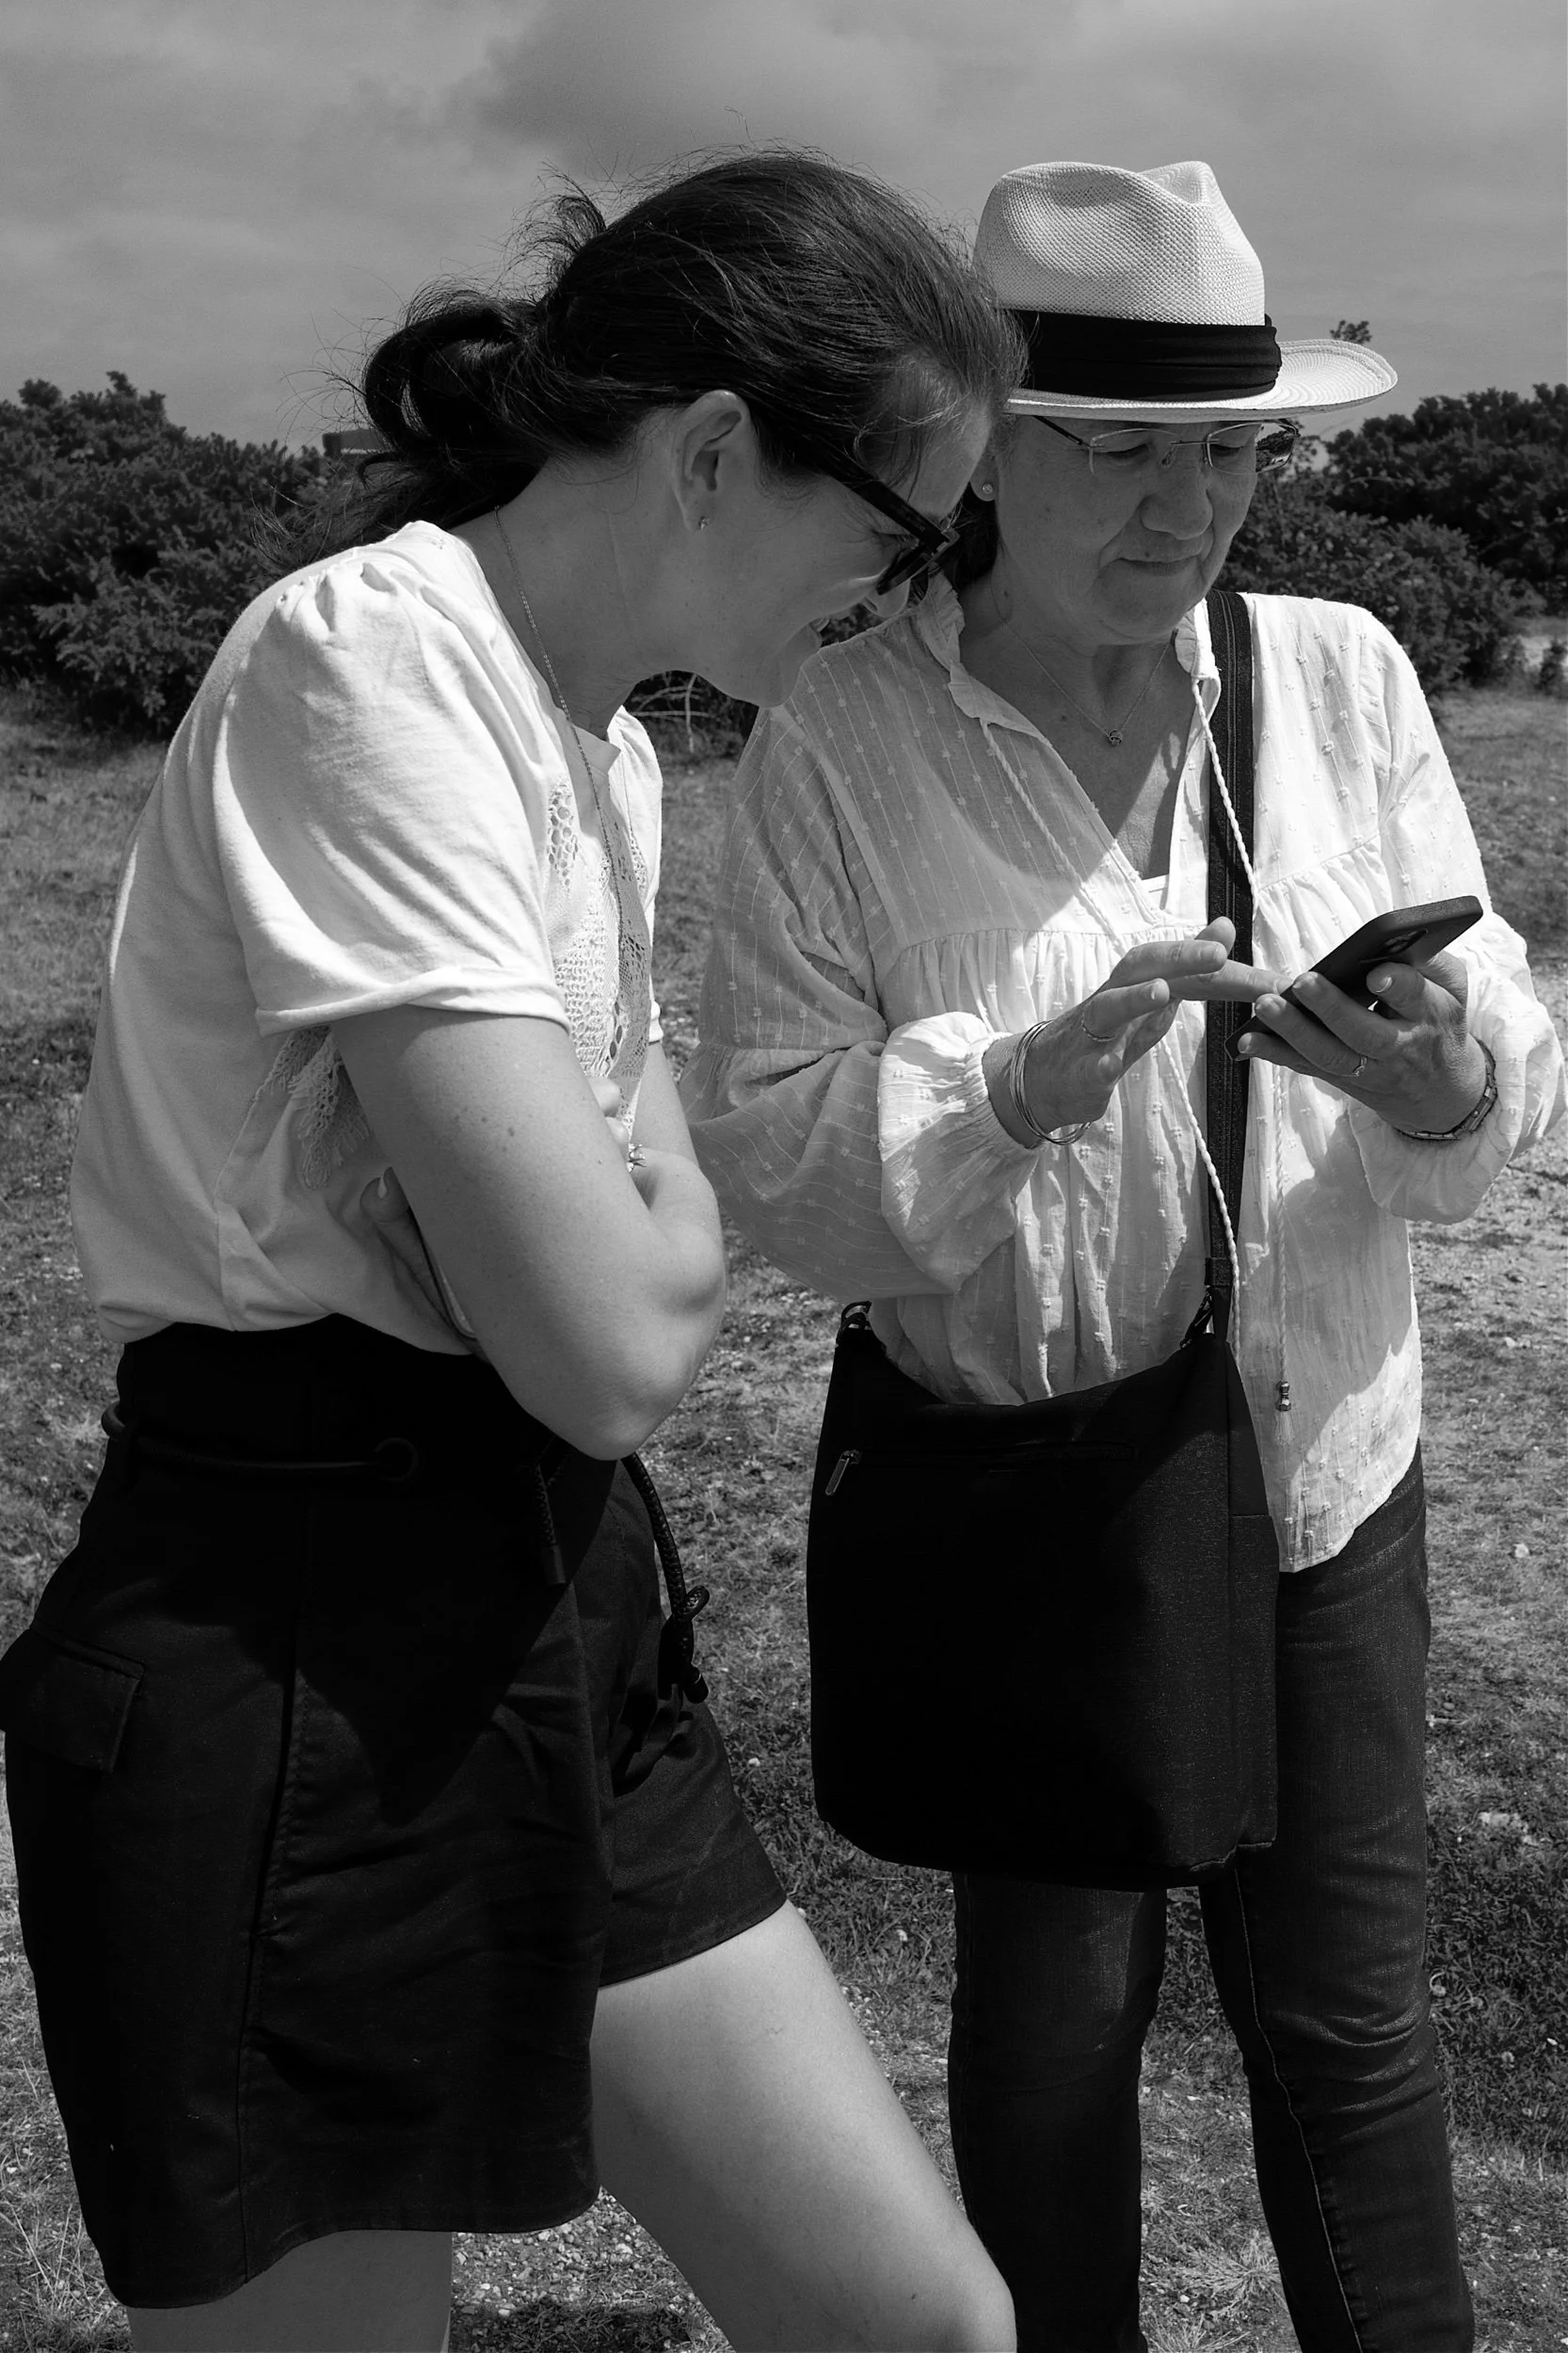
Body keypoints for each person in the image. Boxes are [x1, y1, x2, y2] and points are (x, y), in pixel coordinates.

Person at [0, 155, 1021, 2353]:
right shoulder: (371, 665)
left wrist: (639, 1213)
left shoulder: (605, 750)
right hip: (296, 1632)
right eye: (901, 535)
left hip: (550, 1600)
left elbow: (622, 1256)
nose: (903, 598)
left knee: (918, 2320)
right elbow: (609, 1334)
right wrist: (646, 1212)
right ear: (717, 452)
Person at [683, 159, 1566, 2352]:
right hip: (1042, 1494)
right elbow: (773, 1163)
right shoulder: (841, 731)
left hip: (1327, 1465)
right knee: (1059, 2019)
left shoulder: (1337, 674)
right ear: (979, 448)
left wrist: (1440, 1078)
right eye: (1119, 449)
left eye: (1231, 452)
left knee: (1351, 2019)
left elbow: (1497, 1048)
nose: (1189, 509)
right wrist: (1012, 1087)